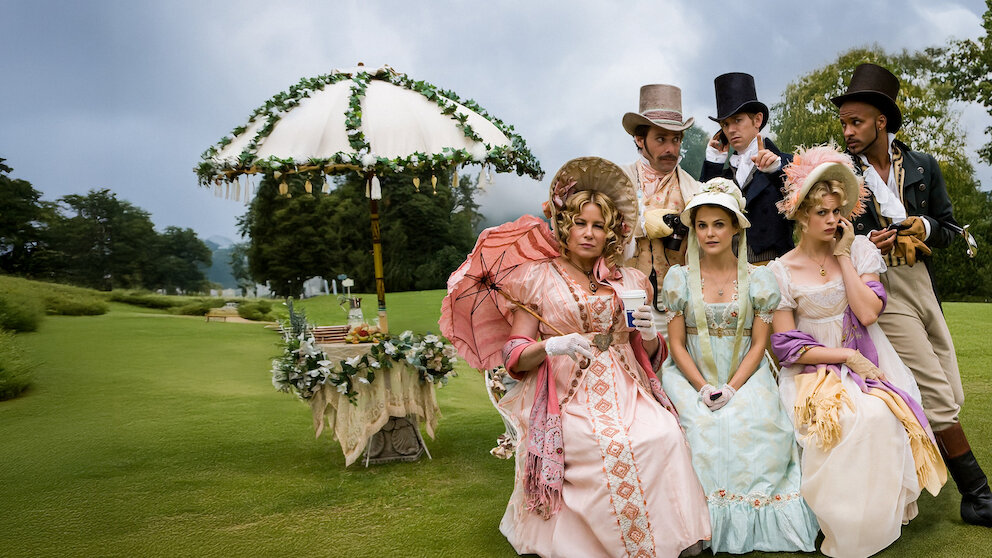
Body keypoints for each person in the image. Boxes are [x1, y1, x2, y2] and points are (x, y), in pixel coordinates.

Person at [497, 157, 711, 558]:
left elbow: (651, 356)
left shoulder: (630, 279)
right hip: (568, 394)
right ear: (565, 225)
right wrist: (549, 347)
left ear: (611, 232)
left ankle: (664, 538)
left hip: (627, 387)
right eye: (580, 223)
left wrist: (649, 335)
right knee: (601, 444)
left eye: (599, 225)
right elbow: (513, 354)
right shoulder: (536, 278)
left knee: (663, 433)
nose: (589, 233)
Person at [833, 62, 992, 528]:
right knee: (938, 392)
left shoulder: (924, 166)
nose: (848, 131)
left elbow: (949, 229)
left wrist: (922, 226)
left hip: (922, 282)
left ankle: (905, 464)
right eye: (844, 123)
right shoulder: (840, 173)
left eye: (856, 121)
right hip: (879, 286)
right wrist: (866, 241)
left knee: (950, 389)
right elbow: (826, 230)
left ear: (881, 121)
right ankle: (977, 495)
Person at [768, 145, 946, 558]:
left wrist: (844, 255)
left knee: (879, 415)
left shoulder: (860, 249)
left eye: (837, 211)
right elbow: (787, 347)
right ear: (801, 216)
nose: (833, 220)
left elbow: (867, 313)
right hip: (815, 368)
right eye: (822, 213)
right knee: (844, 419)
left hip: (871, 355)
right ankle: (843, 520)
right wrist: (845, 358)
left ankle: (874, 518)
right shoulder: (781, 270)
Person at [659, 177, 818, 554]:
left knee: (755, 425)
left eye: (719, 224)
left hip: (746, 373)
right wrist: (702, 387)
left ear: (735, 227)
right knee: (700, 429)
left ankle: (753, 517)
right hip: (690, 373)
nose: (709, 233)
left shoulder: (759, 279)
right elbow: (677, 344)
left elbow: (759, 343)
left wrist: (731, 388)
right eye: (701, 225)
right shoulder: (678, 279)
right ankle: (697, 523)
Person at [620, 84, 702, 334]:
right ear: (639, 139)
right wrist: (641, 225)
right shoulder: (618, 181)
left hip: (680, 304)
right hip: (628, 300)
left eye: (675, 139)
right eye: (661, 139)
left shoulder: (695, 189)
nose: (670, 149)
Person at [700, 72, 793, 264]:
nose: (731, 129)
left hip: (773, 265)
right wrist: (713, 166)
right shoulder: (723, 175)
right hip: (729, 267)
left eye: (737, 120)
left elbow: (799, 204)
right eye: (725, 124)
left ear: (757, 120)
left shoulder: (785, 162)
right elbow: (702, 213)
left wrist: (776, 171)